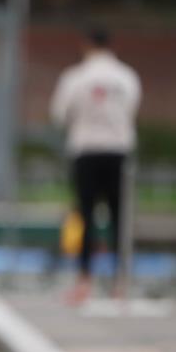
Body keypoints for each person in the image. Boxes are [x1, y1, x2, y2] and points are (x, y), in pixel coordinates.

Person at [50, 27, 141, 305]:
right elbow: (132, 109)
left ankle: (84, 282)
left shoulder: (74, 77)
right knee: (120, 217)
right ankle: (120, 283)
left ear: (86, 45)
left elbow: (59, 114)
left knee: (86, 215)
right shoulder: (126, 77)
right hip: (118, 152)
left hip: (86, 151)